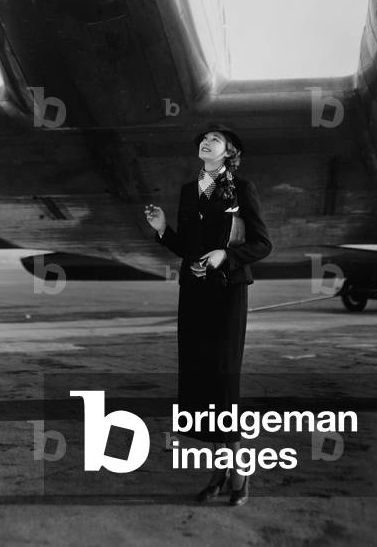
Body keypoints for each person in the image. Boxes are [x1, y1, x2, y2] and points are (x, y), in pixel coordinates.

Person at [144, 124, 272, 506]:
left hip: (228, 294)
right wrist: (163, 230)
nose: (206, 142)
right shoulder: (188, 191)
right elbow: (187, 247)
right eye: (203, 138)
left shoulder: (242, 189)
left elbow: (263, 244)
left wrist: (225, 257)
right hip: (195, 294)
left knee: (222, 381)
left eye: (214, 140)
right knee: (200, 382)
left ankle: (239, 470)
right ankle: (221, 469)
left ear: (229, 151)